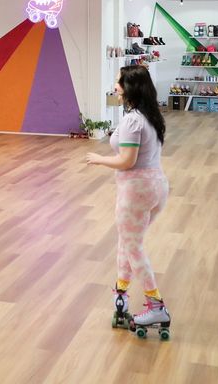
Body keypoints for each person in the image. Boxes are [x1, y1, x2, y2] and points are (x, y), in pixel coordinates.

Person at [85, 64, 171, 339]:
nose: (115, 87)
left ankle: (156, 304)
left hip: (137, 189)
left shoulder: (133, 120)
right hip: (156, 185)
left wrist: (98, 159)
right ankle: (121, 290)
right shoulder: (149, 115)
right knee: (128, 240)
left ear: (129, 87)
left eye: (118, 83)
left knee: (133, 246)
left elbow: (126, 161)